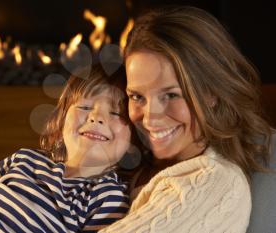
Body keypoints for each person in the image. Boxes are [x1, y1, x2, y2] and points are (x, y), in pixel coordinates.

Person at [99, 5, 273, 233]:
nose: (150, 117)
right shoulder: (129, 157)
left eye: (171, 95)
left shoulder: (216, 184)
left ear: (211, 94)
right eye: (137, 96)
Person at [0, 65, 133, 232]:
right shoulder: (25, 160)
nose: (96, 117)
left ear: (134, 140)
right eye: (85, 107)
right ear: (61, 120)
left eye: (115, 113)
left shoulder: (108, 196)